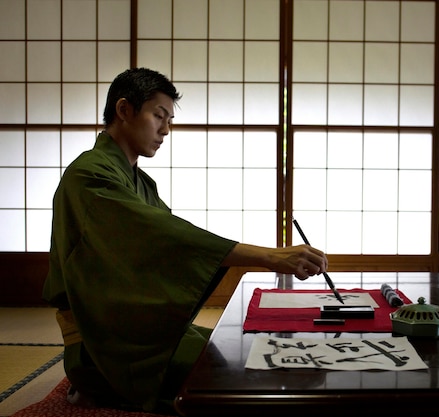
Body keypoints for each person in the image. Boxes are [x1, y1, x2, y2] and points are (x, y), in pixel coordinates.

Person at [42, 67, 328, 415]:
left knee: (239, 353)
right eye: (158, 116)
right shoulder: (89, 176)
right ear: (123, 110)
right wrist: (267, 256)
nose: (165, 130)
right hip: (106, 346)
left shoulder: (138, 181)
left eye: (169, 119)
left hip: (134, 331)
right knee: (229, 379)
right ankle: (100, 386)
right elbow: (168, 239)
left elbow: (168, 243)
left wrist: (265, 255)